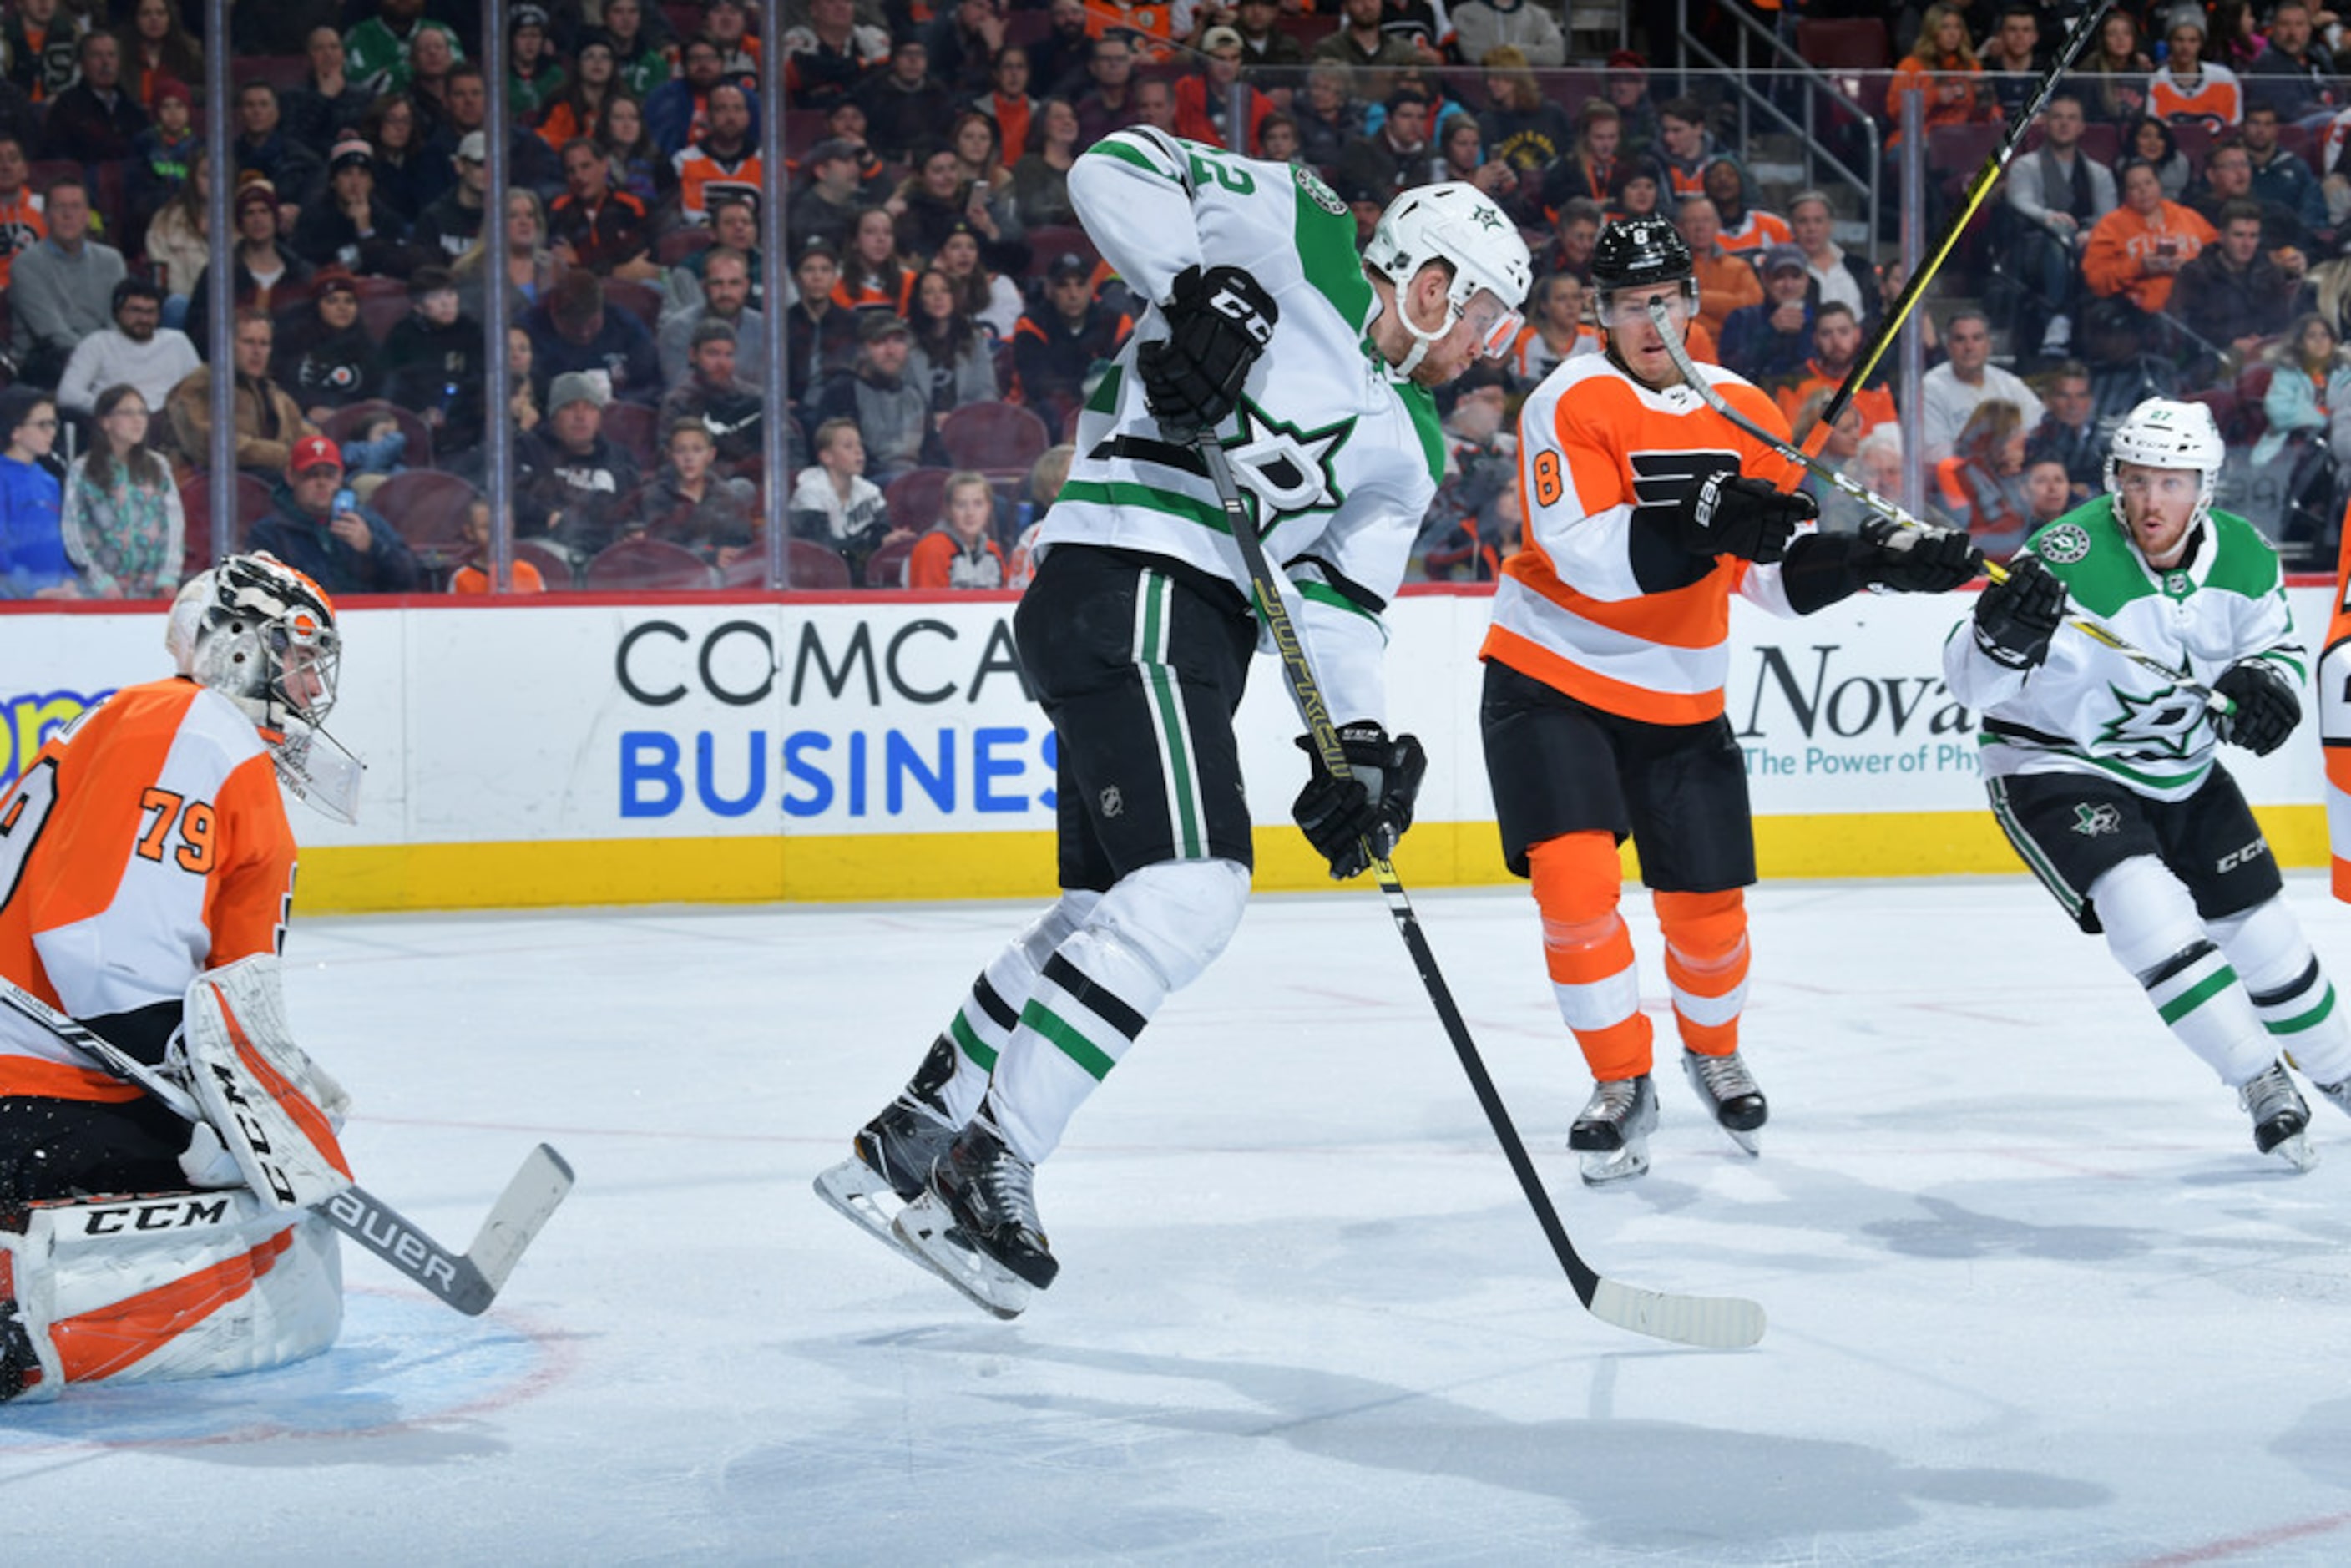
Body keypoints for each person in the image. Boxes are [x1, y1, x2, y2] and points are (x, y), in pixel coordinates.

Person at [816, 141, 1538, 1313]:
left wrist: (1356, 748)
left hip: (1190, 636)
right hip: (1126, 579)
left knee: (1113, 908)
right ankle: (986, 1161)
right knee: (1196, 883)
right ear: (1432, 280)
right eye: (1486, 319)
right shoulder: (1302, 234)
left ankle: (917, 1128)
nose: (1482, 351)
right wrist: (1192, 282)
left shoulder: (1408, 446)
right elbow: (1113, 168)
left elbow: (1342, 610)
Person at [1484, 215, 1981, 1186]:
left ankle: (1711, 1050)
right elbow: (1590, 556)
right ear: (1600, 313)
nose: (1650, 320)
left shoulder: (1744, 408)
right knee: (1575, 891)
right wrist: (1714, 516)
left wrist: (1872, 559)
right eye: (1630, 304)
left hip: (1679, 693)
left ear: (1690, 302)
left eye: (1665, 299)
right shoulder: (1567, 401)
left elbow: (1773, 578)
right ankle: (1619, 1080)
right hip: (1552, 676)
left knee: (1706, 914)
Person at [1944, 397, 2351, 1169]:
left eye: (2172, 483)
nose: (2152, 501)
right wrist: (2000, 636)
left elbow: (2276, 649)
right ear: (2115, 480)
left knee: (2266, 939)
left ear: (2205, 488)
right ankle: (2258, 1078)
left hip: (2184, 767)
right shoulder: (2064, 554)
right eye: (2137, 481)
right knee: (2145, 907)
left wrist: (2267, 686)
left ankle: (2339, 1071)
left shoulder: (2245, 555)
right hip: (2054, 762)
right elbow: (1971, 685)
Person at [0, 554, 356, 1404]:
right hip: (37, 1088)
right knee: (256, 1188)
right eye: (298, 654)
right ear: (237, 646)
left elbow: (213, 983)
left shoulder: (192, 736)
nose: (312, 685)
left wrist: (262, 1091)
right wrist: (202, 1098)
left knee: (288, 1160)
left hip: (46, 1080)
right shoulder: (195, 727)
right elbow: (100, 943)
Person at [2003, 88, 2116, 359]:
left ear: (2081, 127)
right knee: (2057, 243)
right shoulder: (2026, 166)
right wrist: (2049, 218)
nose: (2064, 123)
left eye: (2071, 118)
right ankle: (2058, 317)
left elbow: (2108, 216)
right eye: (2057, 117)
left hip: (2085, 242)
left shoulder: (2098, 173)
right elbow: (2020, 200)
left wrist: (2091, 233)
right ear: (2046, 124)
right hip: (2033, 245)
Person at [245, 435, 420, 595]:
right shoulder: (268, 533)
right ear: (291, 477)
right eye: (311, 474)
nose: (322, 483)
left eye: (330, 475)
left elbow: (411, 576)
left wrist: (373, 546)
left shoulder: (364, 521)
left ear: (341, 477)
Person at [59, 382, 181, 600]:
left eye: (142, 413)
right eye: (127, 413)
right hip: (99, 593)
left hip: (154, 591)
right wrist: (99, 581)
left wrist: (168, 577)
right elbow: (73, 530)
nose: (138, 420)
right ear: (105, 421)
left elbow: (173, 524)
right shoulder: (83, 468)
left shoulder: (158, 465)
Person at [164, 311, 316, 478]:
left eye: (264, 344)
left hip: (270, 479)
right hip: (215, 483)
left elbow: (303, 433)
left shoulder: (272, 392)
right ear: (227, 345)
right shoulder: (199, 387)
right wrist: (280, 455)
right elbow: (211, 445)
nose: (257, 351)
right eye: (248, 342)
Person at [8, 175, 125, 391]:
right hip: (47, 364)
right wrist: (101, 361)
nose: (68, 215)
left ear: (88, 216)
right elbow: (52, 333)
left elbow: (117, 322)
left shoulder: (112, 260)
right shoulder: (26, 265)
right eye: (59, 207)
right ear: (45, 217)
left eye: (76, 207)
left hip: (105, 361)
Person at [53, 276, 200, 421]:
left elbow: (201, 389)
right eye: (135, 311)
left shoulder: (177, 341)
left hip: (170, 424)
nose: (143, 319)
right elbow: (67, 395)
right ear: (118, 312)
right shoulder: (97, 343)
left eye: (150, 312)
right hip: (117, 426)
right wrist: (117, 412)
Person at [1920, 307, 2048, 465]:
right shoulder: (1930, 387)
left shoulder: (2009, 384)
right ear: (1949, 346)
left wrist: (2021, 450)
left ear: (1989, 345)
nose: (1969, 347)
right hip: (1958, 480)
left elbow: (2040, 427)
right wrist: (1991, 455)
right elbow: (1934, 453)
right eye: (1960, 339)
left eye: (1977, 338)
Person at [632, 418, 755, 570]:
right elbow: (661, 551)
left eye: (697, 450)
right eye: (681, 450)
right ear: (670, 455)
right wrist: (709, 556)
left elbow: (741, 544)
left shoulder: (727, 496)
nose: (688, 458)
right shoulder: (654, 497)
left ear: (711, 454)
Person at [787, 416, 897, 574]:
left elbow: (884, 532)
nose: (859, 451)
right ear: (827, 457)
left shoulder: (870, 492)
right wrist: (874, 543)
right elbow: (824, 552)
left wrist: (890, 540)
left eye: (859, 444)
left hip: (859, 572)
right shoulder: (810, 494)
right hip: (815, 580)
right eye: (848, 446)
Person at [1930, 397, 2033, 561]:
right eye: (2014, 433)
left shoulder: (2010, 473)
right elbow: (1959, 535)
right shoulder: (1952, 470)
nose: (2023, 439)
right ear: (1995, 439)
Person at [0, 387, 68, 599]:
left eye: (53, 423)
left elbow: (57, 540)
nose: (52, 432)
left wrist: (69, 579)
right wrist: (30, 591)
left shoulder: (50, 482)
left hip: (55, 592)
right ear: (15, 430)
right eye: (42, 425)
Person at [1716, 245, 1813, 387]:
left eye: (1795, 276)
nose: (1788, 285)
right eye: (1779, 277)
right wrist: (1769, 332)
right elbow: (1731, 373)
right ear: (1765, 278)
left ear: (1806, 280)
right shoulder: (1741, 319)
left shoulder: (1823, 320)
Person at [902, 469, 1008, 588]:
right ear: (947, 509)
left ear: (989, 508)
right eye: (961, 505)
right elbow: (930, 604)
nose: (970, 513)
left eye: (978, 504)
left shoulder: (992, 550)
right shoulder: (932, 548)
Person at [2148, 10, 2243, 128]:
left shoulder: (2224, 79)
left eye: (2192, 40)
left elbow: (2234, 126)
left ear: (2201, 43)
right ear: (2170, 42)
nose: (2185, 47)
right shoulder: (2158, 81)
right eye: (2179, 40)